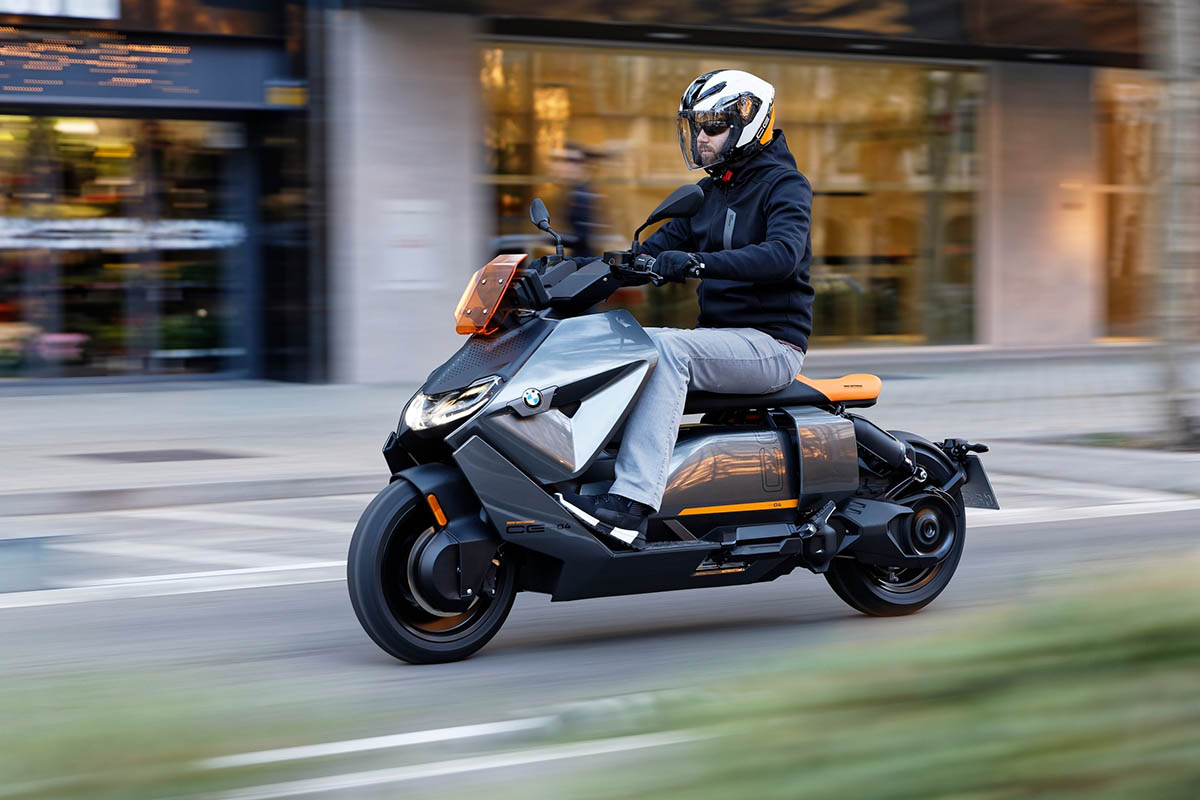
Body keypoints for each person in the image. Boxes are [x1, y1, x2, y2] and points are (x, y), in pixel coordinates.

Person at [559, 69, 815, 548]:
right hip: (723, 342)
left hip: (771, 344)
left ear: (748, 123)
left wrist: (697, 262)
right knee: (621, 341)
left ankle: (630, 505)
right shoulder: (707, 194)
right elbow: (645, 256)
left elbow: (783, 256)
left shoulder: (786, 185)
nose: (701, 137)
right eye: (696, 126)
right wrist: (565, 277)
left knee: (667, 348)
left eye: (712, 126)